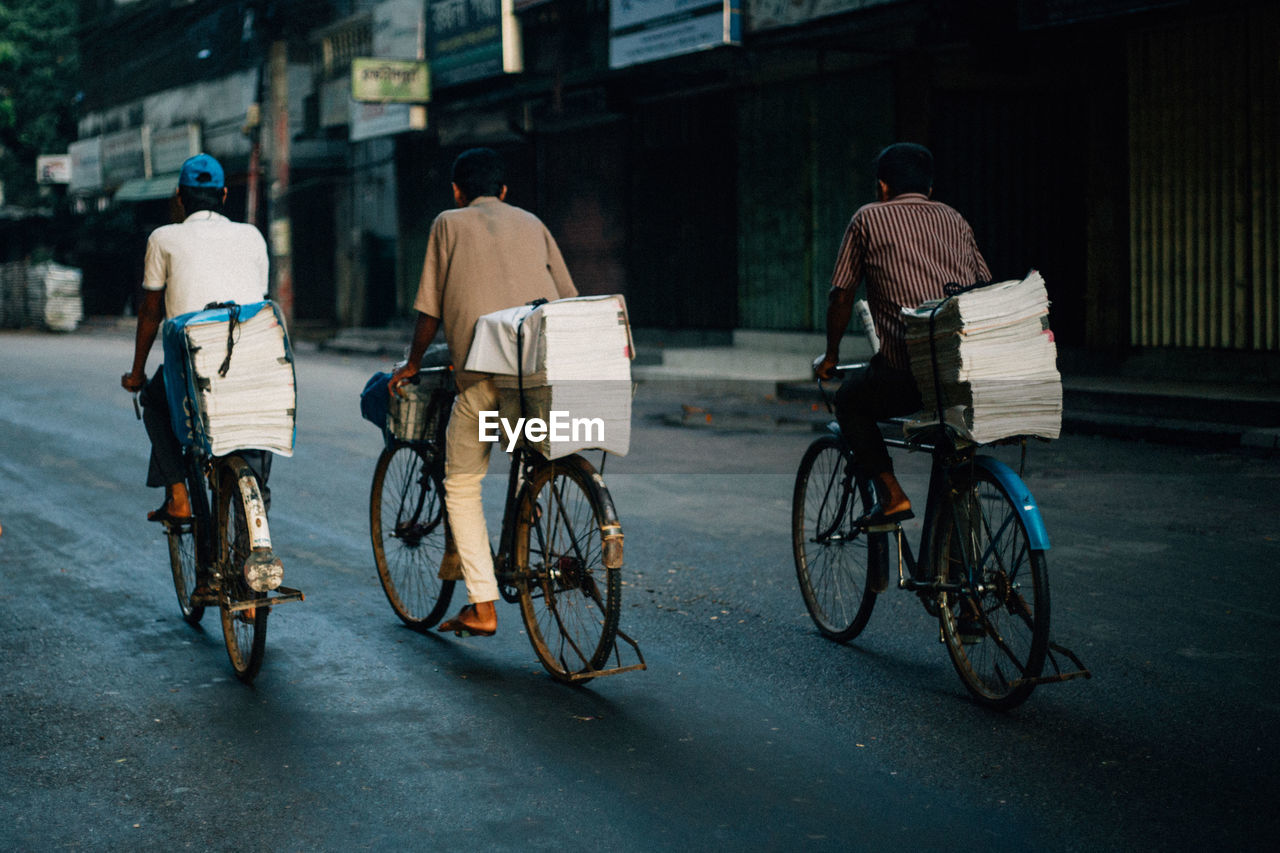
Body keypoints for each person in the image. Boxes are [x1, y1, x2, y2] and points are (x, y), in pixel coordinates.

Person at [389, 147, 577, 637]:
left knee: (462, 483)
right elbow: (570, 299)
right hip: (539, 371)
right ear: (504, 191)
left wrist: (413, 363)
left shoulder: (447, 223)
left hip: (481, 376)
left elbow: (429, 308)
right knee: (530, 445)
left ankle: (483, 605)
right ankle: (528, 508)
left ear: (456, 191)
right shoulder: (533, 223)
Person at [813, 142, 990, 525]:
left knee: (850, 402)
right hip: (968, 369)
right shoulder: (953, 218)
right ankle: (957, 564)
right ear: (929, 188)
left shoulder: (868, 218)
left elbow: (841, 294)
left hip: (907, 374)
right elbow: (983, 285)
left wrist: (831, 357)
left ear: (882, 187)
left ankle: (891, 495)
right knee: (955, 445)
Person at [120, 154, 274, 583]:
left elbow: (151, 312)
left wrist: (136, 373)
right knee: (254, 451)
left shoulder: (164, 237)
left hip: (193, 366)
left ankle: (178, 495)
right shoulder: (253, 237)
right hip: (253, 361)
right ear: (225, 195)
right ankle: (253, 557)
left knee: (153, 401)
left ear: (178, 199)